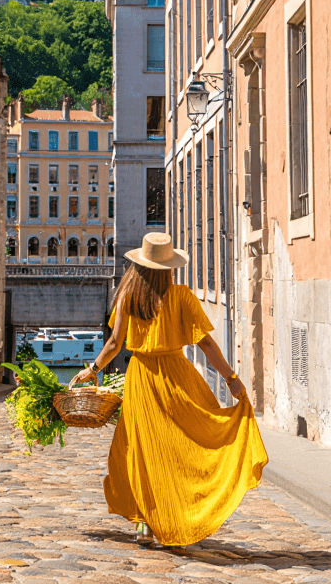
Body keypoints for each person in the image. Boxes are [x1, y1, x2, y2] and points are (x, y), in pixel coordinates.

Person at [70, 232, 268, 547]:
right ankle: (181, 513)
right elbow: (205, 343)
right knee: (185, 445)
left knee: (142, 451)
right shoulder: (182, 296)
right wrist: (231, 378)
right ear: (169, 268)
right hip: (177, 377)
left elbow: (113, 344)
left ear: (140, 266)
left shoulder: (127, 298)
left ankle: (145, 523)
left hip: (142, 379)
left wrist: (92, 369)